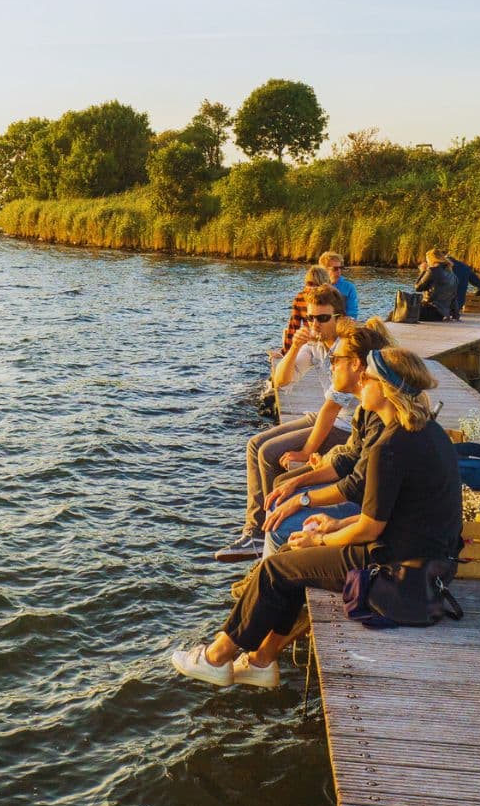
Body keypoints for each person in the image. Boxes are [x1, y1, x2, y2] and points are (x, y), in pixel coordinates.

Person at [172, 348, 461, 689]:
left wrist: (320, 539)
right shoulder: (426, 432)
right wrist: (334, 524)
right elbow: (394, 514)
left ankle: (216, 658)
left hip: (399, 574)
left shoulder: (391, 445)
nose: (361, 381)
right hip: (429, 564)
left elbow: (370, 527)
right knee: (294, 563)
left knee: (277, 568)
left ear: (385, 389)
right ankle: (260, 661)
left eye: (367, 377)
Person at [215, 284, 355, 562]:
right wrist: (294, 347)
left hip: (348, 425)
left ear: (338, 318)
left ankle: (265, 531)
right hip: (329, 415)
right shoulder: (315, 345)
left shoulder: (346, 348)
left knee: (269, 453)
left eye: (322, 318)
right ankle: (255, 531)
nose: (315, 324)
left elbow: (331, 410)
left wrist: (305, 453)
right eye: (311, 318)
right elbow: (281, 381)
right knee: (255, 444)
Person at [260, 317, 395, 550]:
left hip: (372, 518)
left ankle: (275, 569)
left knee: (279, 526)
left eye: (335, 360)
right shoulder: (365, 409)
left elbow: (357, 486)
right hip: (365, 503)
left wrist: (302, 500)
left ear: (355, 364)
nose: (331, 366)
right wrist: (296, 484)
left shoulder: (383, 418)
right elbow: (347, 460)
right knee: (282, 492)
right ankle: (273, 570)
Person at [280, 265, 331, 354]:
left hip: (320, 341)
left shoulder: (332, 298)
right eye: (310, 284)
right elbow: (293, 326)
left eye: (316, 284)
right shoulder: (300, 297)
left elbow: (293, 326)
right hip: (316, 341)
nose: (313, 287)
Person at [414, 249, 458, 322]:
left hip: (430, 311)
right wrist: (455, 315)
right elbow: (454, 297)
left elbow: (418, 287)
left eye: (427, 260)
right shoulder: (452, 274)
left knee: (402, 309)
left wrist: (423, 271)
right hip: (441, 314)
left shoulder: (432, 270)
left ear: (431, 260)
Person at [446, 254, 480, 320]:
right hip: (460, 304)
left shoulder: (443, 268)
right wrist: (478, 294)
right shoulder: (465, 267)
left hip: (445, 306)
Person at [320, 251, 359, 318]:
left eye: (340, 268)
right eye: (335, 268)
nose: (339, 271)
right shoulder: (318, 286)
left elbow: (352, 314)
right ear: (324, 270)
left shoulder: (349, 287)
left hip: (342, 324)